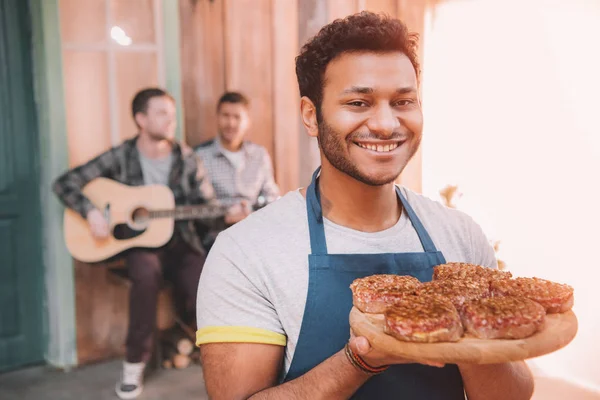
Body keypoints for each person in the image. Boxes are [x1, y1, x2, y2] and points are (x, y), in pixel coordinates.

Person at [195, 12, 534, 400]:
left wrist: (466, 331)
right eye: (359, 102)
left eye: (403, 101)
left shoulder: (462, 237)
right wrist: (361, 359)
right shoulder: (246, 252)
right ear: (311, 116)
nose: (387, 124)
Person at [52, 88, 244, 400]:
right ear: (141, 120)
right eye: (162, 113)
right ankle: (134, 363)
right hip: (139, 246)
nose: (171, 120)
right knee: (145, 275)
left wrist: (227, 214)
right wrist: (90, 212)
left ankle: (227, 360)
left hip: (181, 242)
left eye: (172, 113)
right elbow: (65, 183)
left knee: (205, 282)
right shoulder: (123, 155)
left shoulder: (186, 158)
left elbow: (207, 209)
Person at [194, 92, 280, 249]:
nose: (231, 123)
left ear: (247, 121)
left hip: (255, 227)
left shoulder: (259, 155)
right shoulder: (200, 156)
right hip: (216, 232)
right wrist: (223, 216)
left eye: (237, 117)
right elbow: (198, 202)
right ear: (217, 118)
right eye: (225, 116)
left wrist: (252, 212)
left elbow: (271, 196)